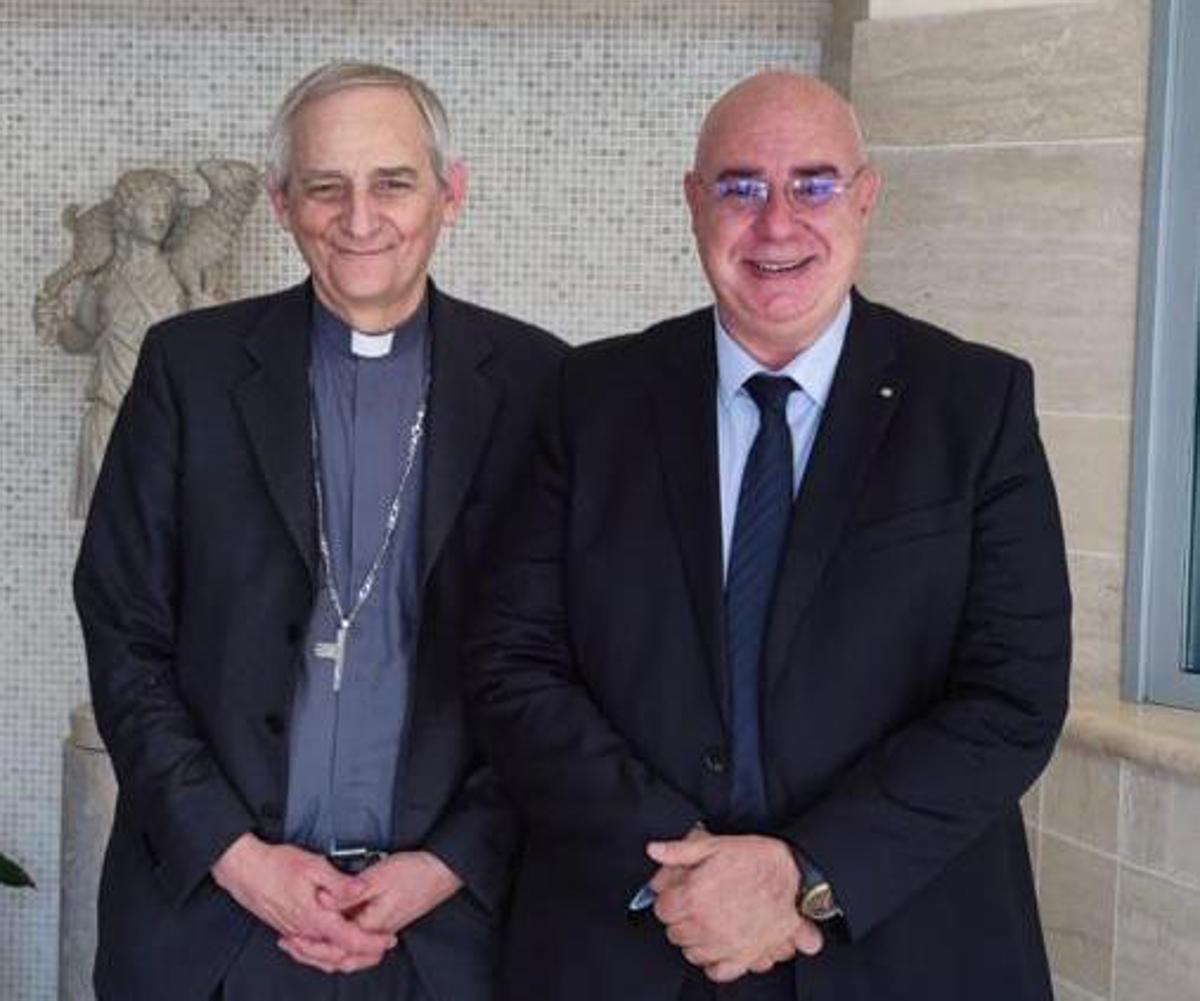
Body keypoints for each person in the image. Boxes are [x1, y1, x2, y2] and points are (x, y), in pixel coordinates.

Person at [465, 71, 1070, 1001]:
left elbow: (1014, 694)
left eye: (813, 184)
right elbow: (512, 663)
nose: (777, 224)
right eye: (741, 186)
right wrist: (682, 870)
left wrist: (802, 873)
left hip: (897, 946)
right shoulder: (588, 399)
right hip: (629, 940)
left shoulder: (975, 405)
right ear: (693, 203)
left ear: (865, 197)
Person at [75, 61, 563, 1001]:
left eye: (394, 183)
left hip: (446, 937)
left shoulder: (543, 387)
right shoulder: (187, 370)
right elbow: (122, 629)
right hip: (212, 924)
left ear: (452, 193)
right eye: (325, 186)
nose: (359, 218)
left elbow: (567, 664)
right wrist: (234, 853)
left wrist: (449, 862)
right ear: (281, 202)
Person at [34, 169, 187, 516]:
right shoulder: (104, 282)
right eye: (151, 206)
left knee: (155, 521)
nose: (161, 215)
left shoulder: (178, 276)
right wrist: (57, 323)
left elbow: (200, 345)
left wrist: (210, 309)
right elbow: (83, 339)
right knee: (104, 524)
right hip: (108, 414)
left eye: (166, 207)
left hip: (161, 418)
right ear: (126, 213)